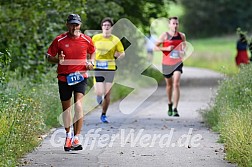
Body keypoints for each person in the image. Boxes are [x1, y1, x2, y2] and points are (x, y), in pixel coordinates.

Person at [46, 14, 95, 151]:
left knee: (78, 105)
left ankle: (76, 138)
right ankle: (68, 135)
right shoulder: (59, 40)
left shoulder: (86, 40)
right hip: (64, 77)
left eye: (76, 24)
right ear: (67, 25)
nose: (74, 27)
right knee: (66, 109)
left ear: (80, 25)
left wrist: (91, 62)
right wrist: (57, 60)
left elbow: (93, 52)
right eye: (72, 24)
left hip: (80, 76)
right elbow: (48, 56)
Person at [92, 17, 125, 123]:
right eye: (104, 25)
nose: (106, 27)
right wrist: (90, 60)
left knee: (107, 94)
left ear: (111, 27)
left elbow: (122, 52)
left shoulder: (115, 40)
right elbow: (90, 50)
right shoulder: (96, 38)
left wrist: (118, 55)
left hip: (110, 68)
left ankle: (103, 114)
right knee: (99, 91)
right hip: (98, 67)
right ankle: (98, 94)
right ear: (101, 27)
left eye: (108, 25)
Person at [154, 16, 186, 117]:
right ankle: (169, 103)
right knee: (169, 85)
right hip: (167, 63)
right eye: (173, 23)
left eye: (177, 23)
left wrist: (182, 52)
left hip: (177, 63)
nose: (175, 25)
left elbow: (184, 47)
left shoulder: (182, 36)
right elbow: (155, 47)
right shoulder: (165, 35)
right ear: (169, 25)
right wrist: (166, 48)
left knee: (176, 83)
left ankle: (176, 108)